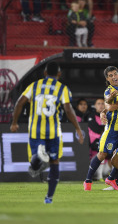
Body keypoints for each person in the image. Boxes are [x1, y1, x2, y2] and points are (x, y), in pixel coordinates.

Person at [10, 61, 84, 204]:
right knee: (55, 161)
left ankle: (37, 159)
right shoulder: (62, 88)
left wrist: (14, 122)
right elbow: (68, 109)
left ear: (44, 73)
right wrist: (77, 128)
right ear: (59, 74)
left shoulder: (34, 86)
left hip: (35, 130)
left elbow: (19, 102)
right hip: (53, 131)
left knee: (34, 164)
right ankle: (49, 197)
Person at [87, 98, 110, 181]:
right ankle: (99, 176)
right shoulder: (91, 116)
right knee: (101, 149)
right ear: (95, 105)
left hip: (106, 144)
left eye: (102, 103)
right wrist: (105, 129)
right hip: (94, 146)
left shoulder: (108, 115)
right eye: (99, 103)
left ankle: (111, 177)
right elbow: (95, 128)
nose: (101, 105)